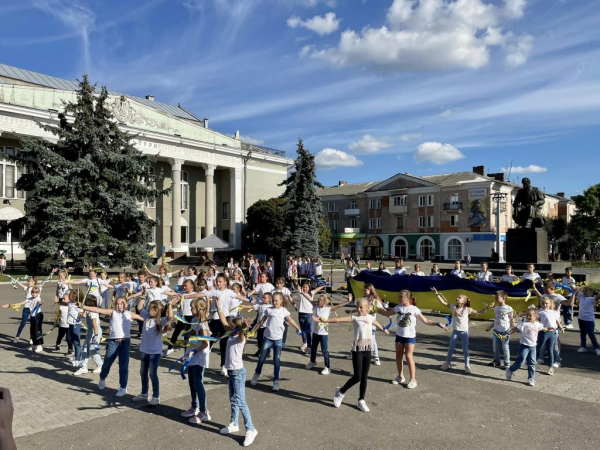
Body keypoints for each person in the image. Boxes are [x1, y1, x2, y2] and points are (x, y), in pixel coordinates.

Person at [325, 298, 389, 412]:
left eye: (361, 307)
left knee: (364, 376)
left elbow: (377, 323)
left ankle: (361, 400)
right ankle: (340, 392)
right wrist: (326, 320)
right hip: (357, 350)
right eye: (357, 307)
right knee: (357, 376)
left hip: (368, 349)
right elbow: (339, 320)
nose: (359, 309)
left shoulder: (370, 318)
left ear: (367, 309)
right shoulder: (355, 318)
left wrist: (383, 329)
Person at [378, 290, 448, 389]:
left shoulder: (414, 309)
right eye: (399, 296)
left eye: (401, 296)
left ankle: (413, 379)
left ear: (407, 298)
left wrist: (438, 323)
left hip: (410, 337)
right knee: (398, 356)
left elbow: (426, 320)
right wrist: (374, 309)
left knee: (408, 356)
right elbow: (387, 313)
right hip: (399, 336)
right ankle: (400, 376)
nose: (399, 298)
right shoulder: (398, 307)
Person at [215, 302, 259, 446]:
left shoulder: (240, 337)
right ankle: (234, 423)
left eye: (230, 325)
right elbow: (222, 320)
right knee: (233, 399)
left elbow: (241, 332)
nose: (227, 326)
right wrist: (218, 307)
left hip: (238, 373)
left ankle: (251, 429)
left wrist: (244, 327)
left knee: (240, 401)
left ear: (236, 327)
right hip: (231, 372)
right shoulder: (230, 334)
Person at [83, 296, 142, 397]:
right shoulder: (112, 313)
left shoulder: (129, 314)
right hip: (113, 342)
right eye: (118, 304)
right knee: (107, 363)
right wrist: (84, 307)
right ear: (115, 305)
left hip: (125, 343)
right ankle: (102, 379)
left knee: (123, 366)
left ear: (126, 305)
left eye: (122, 303)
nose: (119, 306)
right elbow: (97, 309)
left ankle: (123, 387)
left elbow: (143, 318)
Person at [432, 287, 492, 373]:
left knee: (465, 349)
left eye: (459, 298)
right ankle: (447, 363)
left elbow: (479, 313)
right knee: (451, 348)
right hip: (455, 332)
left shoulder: (468, 309)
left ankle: (467, 365)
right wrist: (436, 293)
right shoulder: (453, 307)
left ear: (464, 301)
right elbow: (443, 302)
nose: (457, 298)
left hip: (464, 332)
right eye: (457, 297)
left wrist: (488, 307)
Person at [250, 292, 302, 391]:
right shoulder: (269, 310)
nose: (274, 302)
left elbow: (291, 320)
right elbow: (261, 321)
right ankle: (256, 375)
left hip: (278, 340)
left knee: (276, 361)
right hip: (267, 338)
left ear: (281, 301)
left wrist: (298, 328)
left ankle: (276, 381)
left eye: (276, 300)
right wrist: (253, 331)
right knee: (261, 358)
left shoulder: (284, 311)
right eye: (273, 300)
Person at [132, 298, 174, 405]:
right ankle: (144, 393)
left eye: (150, 309)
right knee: (143, 372)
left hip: (155, 353)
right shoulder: (146, 316)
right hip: (144, 351)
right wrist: (142, 295)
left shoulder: (161, 321)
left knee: (152, 374)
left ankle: (156, 396)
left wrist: (169, 305)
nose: (148, 310)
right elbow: (139, 307)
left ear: (156, 311)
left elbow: (170, 316)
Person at [181, 298, 212, 425]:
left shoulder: (202, 325)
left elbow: (205, 343)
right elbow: (195, 339)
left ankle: (204, 411)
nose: (190, 309)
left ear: (198, 309)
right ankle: (194, 407)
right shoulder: (194, 321)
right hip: (192, 356)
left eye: (192, 307)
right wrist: (187, 344)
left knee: (198, 383)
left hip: (199, 357)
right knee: (192, 382)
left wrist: (194, 351)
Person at [306, 294, 351, 375]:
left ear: (324, 302)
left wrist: (348, 301)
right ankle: (312, 361)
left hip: (323, 334)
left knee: (324, 350)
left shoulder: (328, 309)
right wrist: (302, 292)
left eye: (320, 301)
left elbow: (339, 306)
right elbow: (309, 299)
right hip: (315, 333)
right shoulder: (316, 307)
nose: (318, 302)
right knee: (313, 348)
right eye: (318, 300)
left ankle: (327, 367)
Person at [505, 309, 547, 386]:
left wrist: (548, 329)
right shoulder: (524, 323)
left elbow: (543, 328)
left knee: (532, 363)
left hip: (533, 347)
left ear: (535, 316)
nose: (528, 317)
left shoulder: (537, 324)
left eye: (530, 315)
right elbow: (515, 329)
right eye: (527, 315)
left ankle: (531, 378)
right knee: (521, 362)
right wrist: (508, 333)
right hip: (524, 346)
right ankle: (510, 369)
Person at [2, 276, 47, 345]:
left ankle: (33, 339)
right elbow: (18, 283)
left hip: (35, 312)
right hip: (27, 308)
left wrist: (52, 273)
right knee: (23, 323)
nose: (28, 282)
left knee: (34, 327)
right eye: (28, 281)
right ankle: (17, 336)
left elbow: (45, 281)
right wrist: (11, 277)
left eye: (30, 281)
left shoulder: (38, 289)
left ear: (34, 282)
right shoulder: (27, 290)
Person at [75, 296, 103, 376]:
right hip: (91, 331)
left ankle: (100, 365)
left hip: (96, 331)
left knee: (92, 349)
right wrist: (82, 312)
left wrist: (96, 335)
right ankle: (84, 367)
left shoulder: (93, 312)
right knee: (84, 348)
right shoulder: (88, 310)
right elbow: (83, 316)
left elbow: (94, 323)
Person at [487, 291, 515, 368]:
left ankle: (507, 363)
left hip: (505, 331)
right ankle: (496, 360)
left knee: (505, 347)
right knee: (495, 346)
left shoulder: (509, 308)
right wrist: (490, 326)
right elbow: (496, 319)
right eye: (495, 297)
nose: (496, 298)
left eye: (497, 297)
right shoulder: (496, 308)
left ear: (504, 298)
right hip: (496, 330)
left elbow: (511, 318)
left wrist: (513, 326)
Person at [575, 287, 600, 356]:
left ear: (591, 293)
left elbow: (597, 297)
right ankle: (583, 347)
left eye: (586, 291)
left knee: (591, 333)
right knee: (582, 333)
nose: (584, 292)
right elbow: (575, 290)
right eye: (584, 291)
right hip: (581, 318)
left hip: (589, 319)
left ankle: (597, 348)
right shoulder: (581, 297)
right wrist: (577, 288)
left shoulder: (592, 299)